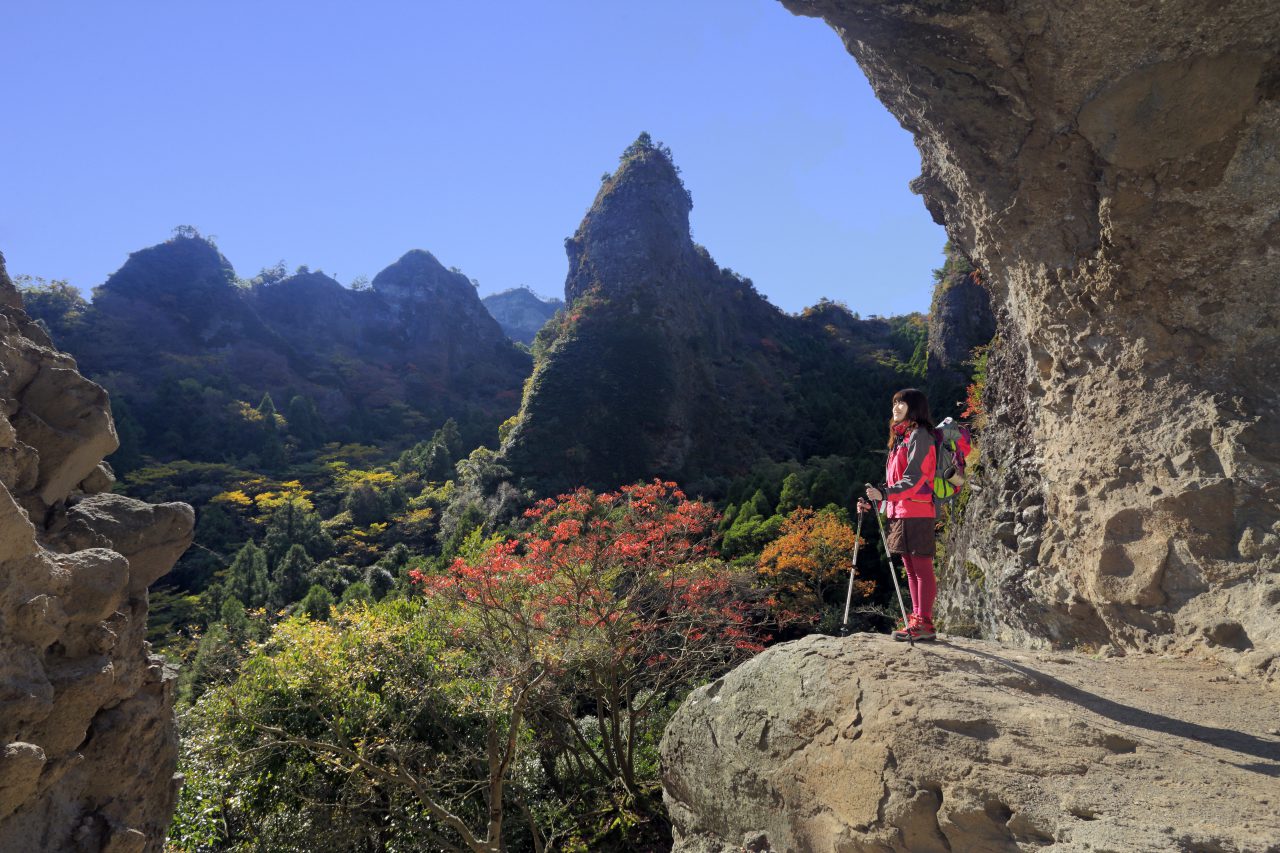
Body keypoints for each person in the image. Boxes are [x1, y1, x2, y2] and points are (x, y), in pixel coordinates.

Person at [858, 388, 938, 642]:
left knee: (922, 567)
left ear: (915, 407)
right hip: (901, 511)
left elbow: (914, 479)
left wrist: (884, 494)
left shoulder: (920, 435)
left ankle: (924, 622)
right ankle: (917, 619)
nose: (896, 407)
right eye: (894, 403)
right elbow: (895, 486)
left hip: (917, 511)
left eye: (902, 403)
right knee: (911, 568)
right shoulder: (900, 439)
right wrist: (877, 503)